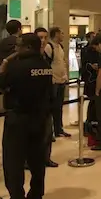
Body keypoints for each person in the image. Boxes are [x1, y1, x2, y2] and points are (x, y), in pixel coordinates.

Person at [0, 33, 53, 199]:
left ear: (28, 47)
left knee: (13, 161)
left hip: (18, 119)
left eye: (19, 45)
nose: (16, 48)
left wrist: (5, 62)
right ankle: (36, 197)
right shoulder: (45, 66)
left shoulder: (16, 66)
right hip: (40, 118)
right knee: (37, 160)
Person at [34, 27, 58, 168]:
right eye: (40, 38)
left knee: (47, 133)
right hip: (33, 103)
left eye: (45, 38)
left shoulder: (46, 57)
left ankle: (45, 158)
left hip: (47, 100)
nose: (43, 41)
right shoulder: (30, 57)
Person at [45, 27, 71, 138]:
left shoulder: (60, 47)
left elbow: (62, 62)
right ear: (56, 34)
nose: (63, 35)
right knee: (52, 106)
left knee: (59, 106)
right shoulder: (49, 47)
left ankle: (58, 129)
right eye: (62, 33)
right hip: (53, 81)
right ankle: (50, 131)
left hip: (61, 80)